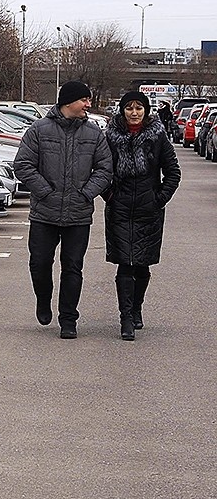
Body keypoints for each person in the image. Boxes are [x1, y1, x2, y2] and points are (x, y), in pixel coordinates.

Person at [13, 81, 113, 339]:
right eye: (84, 100)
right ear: (68, 101)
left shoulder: (93, 134)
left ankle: (69, 318)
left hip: (78, 215)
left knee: (73, 267)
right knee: (40, 263)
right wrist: (45, 191)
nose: (88, 105)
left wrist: (86, 193)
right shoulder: (39, 130)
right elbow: (23, 165)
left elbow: (104, 169)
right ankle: (43, 300)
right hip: (44, 214)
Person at [103, 91, 181, 341]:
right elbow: (101, 170)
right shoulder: (111, 136)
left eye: (139, 108)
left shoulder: (158, 136)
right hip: (120, 208)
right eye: (129, 108)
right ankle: (125, 318)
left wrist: (158, 199)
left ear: (146, 111)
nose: (134, 113)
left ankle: (136, 308)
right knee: (125, 264)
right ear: (122, 110)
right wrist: (110, 196)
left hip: (149, 210)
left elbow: (173, 173)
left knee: (143, 265)